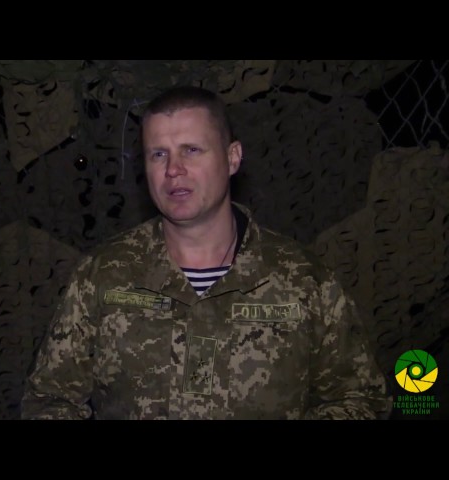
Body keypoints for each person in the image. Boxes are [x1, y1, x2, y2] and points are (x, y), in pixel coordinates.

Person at [20, 85, 391, 420]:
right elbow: (49, 400)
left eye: (191, 150)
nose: (173, 170)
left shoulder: (303, 278)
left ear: (233, 157)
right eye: (158, 154)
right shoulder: (104, 274)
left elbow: (360, 400)